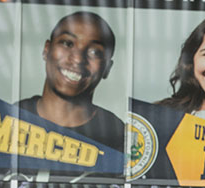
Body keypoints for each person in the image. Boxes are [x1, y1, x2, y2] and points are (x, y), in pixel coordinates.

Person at [18, 11, 125, 153]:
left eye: (94, 52)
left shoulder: (117, 135)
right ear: (46, 50)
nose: (78, 59)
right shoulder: (10, 116)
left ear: (107, 68)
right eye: (67, 43)